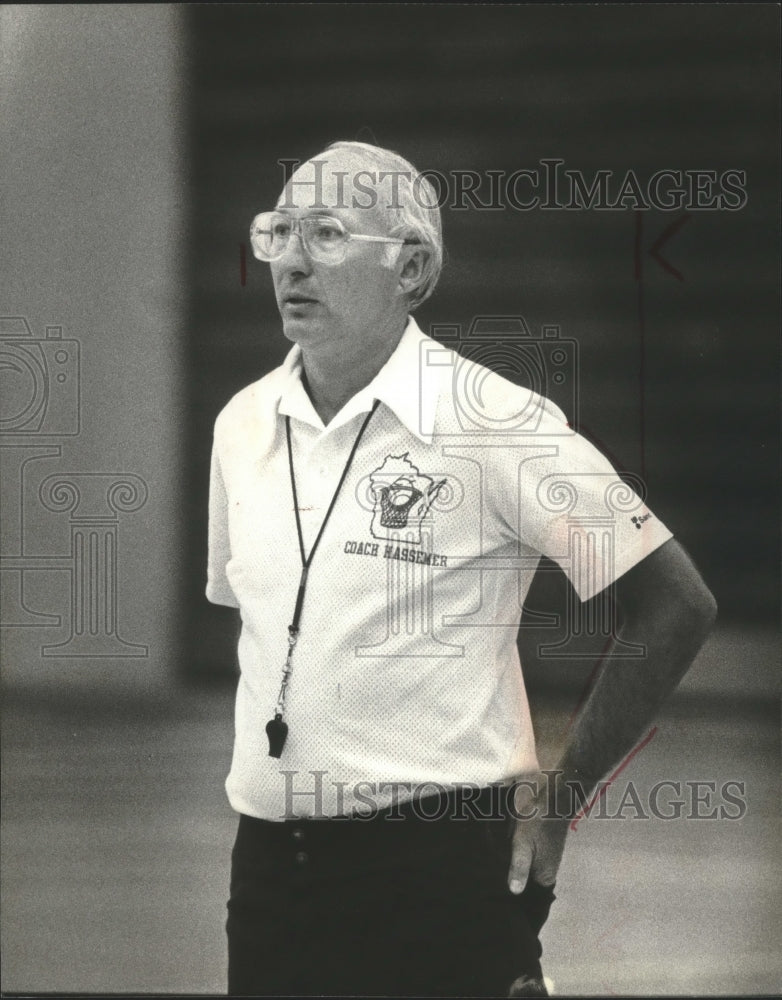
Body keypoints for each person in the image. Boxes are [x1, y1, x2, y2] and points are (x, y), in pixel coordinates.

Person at [206, 140, 717, 997]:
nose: (290, 260)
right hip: (267, 878)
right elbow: (267, 625)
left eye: (326, 234)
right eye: (279, 231)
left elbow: (674, 601)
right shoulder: (242, 422)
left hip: (438, 877)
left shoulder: (494, 421)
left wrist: (562, 795)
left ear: (410, 269)